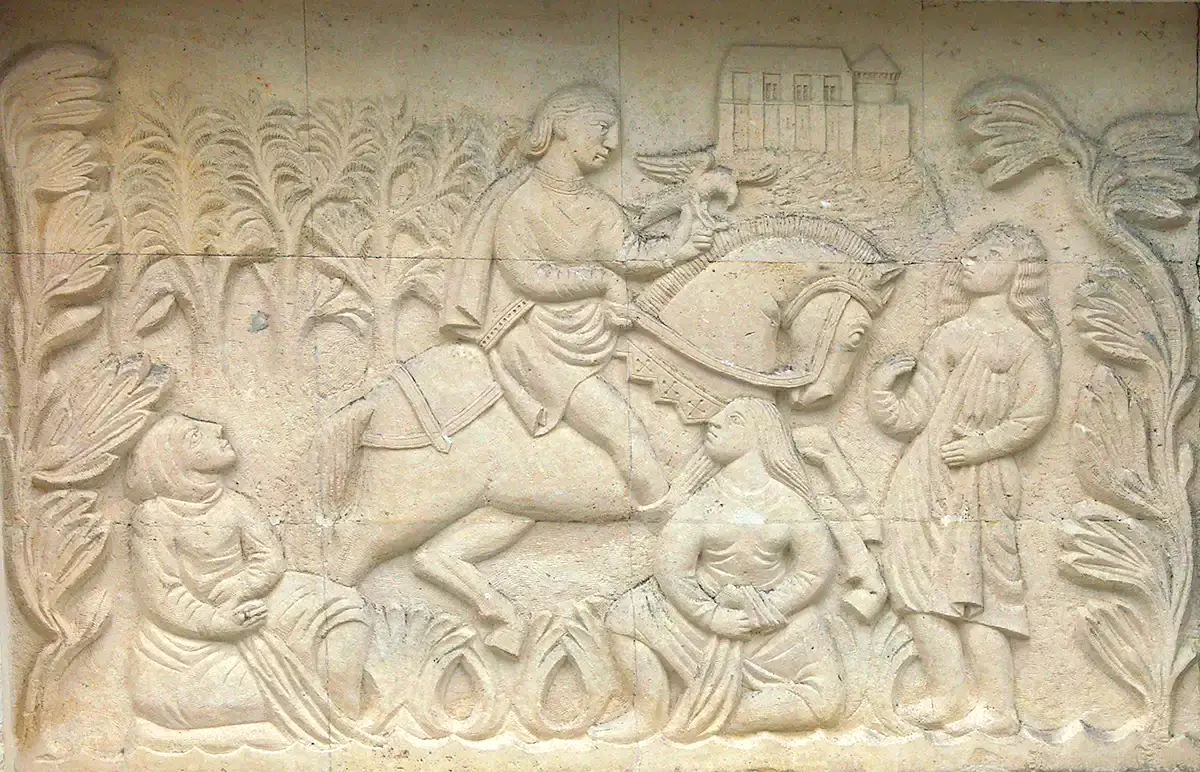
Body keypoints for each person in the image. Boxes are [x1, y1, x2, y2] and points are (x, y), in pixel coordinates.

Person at [441, 83, 715, 508]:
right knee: (624, 431)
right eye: (602, 127)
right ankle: (666, 523)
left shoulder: (597, 204)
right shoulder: (521, 200)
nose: (613, 143)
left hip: (591, 331)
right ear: (561, 127)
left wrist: (678, 248)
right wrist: (604, 281)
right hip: (534, 339)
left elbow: (627, 254)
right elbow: (528, 275)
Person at [867, 224, 1060, 736]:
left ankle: (998, 708)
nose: (971, 259)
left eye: (989, 253)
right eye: (970, 253)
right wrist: (882, 390)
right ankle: (948, 695)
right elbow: (911, 416)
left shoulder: (1024, 343)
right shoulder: (946, 336)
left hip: (982, 480)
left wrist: (983, 445)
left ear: (1019, 273)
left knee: (981, 593)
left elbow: (1034, 414)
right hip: (922, 478)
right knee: (914, 586)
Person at [591, 398, 846, 743]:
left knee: (826, 704)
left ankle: (711, 709)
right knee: (626, 614)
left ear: (760, 435)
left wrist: (773, 607)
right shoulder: (702, 501)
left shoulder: (789, 503)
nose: (713, 422)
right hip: (702, 619)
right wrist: (711, 616)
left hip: (774, 625)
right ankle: (648, 712)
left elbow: (814, 569)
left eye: (733, 419)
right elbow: (671, 568)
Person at [127, 413, 380, 748]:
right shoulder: (154, 517)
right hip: (186, 650)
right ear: (170, 461)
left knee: (344, 606)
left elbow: (269, 559)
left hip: (249, 606)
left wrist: (241, 587)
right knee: (193, 700)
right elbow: (163, 595)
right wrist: (218, 622)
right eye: (194, 435)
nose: (217, 428)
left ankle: (342, 715)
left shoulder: (236, 505)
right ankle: (303, 717)